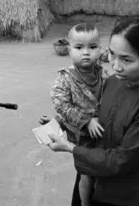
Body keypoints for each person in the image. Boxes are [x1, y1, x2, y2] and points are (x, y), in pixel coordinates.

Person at [45, 17, 139, 206]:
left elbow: (120, 161)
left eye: (127, 59)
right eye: (112, 54)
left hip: (120, 196)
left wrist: (70, 147)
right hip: (92, 171)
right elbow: (98, 118)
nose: (115, 65)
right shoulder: (114, 81)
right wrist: (63, 122)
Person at [41, 23, 110, 206]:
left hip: (102, 132)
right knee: (86, 175)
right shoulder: (66, 78)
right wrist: (86, 121)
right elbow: (60, 103)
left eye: (92, 47)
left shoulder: (103, 73)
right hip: (83, 136)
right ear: (69, 50)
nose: (86, 52)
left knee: (102, 172)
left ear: (100, 49)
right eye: (79, 48)